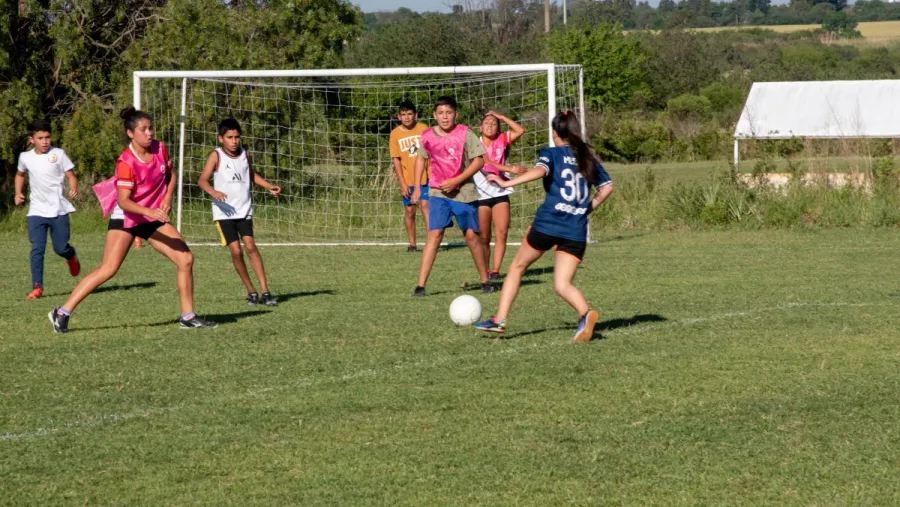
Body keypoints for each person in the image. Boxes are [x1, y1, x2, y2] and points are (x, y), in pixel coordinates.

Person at [49, 106, 217, 333]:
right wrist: (150, 212)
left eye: (150, 128)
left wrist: (166, 198)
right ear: (130, 133)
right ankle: (62, 312)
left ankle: (188, 316)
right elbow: (123, 201)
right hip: (127, 215)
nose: (149, 133)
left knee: (185, 259)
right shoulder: (126, 162)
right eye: (143, 129)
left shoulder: (160, 149)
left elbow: (171, 175)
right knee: (108, 269)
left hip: (151, 215)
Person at [475, 110, 614, 342]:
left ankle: (499, 320)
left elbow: (540, 171)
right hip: (576, 229)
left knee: (518, 267)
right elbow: (607, 188)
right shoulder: (587, 158)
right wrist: (586, 209)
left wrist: (505, 181)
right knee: (562, 283)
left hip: (548, 224)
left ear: (554, 132)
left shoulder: (551, 153)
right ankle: (585, 314)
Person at [410, 96, 492, 296]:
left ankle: (485, 280)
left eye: (449, 113)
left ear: (456, 114)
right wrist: (417, 187)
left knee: (472, 237)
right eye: (440, 113)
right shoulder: (427, 135)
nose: (445, 117)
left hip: (463, 192)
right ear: (434, 115)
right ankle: (420, 285)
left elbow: (479, 162)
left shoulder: (466, 133)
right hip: (438, 193)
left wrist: (457, 180)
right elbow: (421, 159)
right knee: (434, 235)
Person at [198, 118, 281, 306]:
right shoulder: (216, 156)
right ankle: (251, 291)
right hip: (224, 212)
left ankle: (265, 291)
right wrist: (213, 191)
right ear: (221, 139)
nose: (234, 141)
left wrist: (269, 186)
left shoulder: (245, 154)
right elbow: (202, 180)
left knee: (250, 246)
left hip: (243, 209)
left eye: (237, 137)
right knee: (236, 251)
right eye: (230, 137)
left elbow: (251, 175)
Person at [14, 119, 81, 299]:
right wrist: (18, 193)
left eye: (47, 137)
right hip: (36, 211)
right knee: (37, 248)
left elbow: (71, 176)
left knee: (60, 248)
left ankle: (71, 255)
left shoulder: (58, 154)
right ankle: (37, 287)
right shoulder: (25, 157)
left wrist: (73, 187)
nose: (45, 141)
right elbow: (20, 175)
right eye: (40, 138)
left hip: (58, 210)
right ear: (31, 140)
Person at [473, 111, 526, 280]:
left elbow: (520, 130)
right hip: (481, 194)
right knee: (484, 236)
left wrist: (502, 117)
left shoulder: (501, 139)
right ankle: (485, 270)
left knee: (501, 232)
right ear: (480, 127)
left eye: (494, 123)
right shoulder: (475, 143)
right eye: (487, 122)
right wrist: (511, 169)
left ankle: (495, 270)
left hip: (500, 191)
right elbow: (485, 163)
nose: (490, 125)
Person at [389, 100, 430, 251]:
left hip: (425, 177)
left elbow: (431, 152)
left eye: (410, 114)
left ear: (416, 115)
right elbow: (396, 160)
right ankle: (412, 243)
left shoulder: (424, 129)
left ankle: (430, 242)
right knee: (410, 210)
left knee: (426, 206)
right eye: (403, 115)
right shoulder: (395, 134)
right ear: (399, 117)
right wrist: (402, 182)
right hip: (408, 179)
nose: (407, 117)